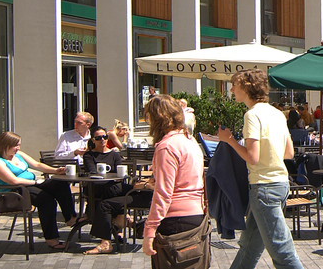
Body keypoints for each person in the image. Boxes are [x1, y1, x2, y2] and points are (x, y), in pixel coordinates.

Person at [216, 70, 304, 269]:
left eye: (234, 85)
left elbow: (252, 158)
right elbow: (288, 153)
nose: (231, 89)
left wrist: (229, 140)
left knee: (283, 253)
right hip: (280, 184)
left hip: (264, 187)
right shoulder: (277, 113)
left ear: (246, 88)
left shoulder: (252, 115)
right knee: (249, 247)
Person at [141, 94, 206, 262]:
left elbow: (163, 193)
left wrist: (150, 230)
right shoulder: (189, 140)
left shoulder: (167, 147)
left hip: (175, 220)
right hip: (196, 216)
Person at [0, 131, 77, 251]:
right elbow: (13, 181)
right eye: (16, 145)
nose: (18, 148)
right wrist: (36, 182)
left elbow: (36, 165)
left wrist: (55, 171)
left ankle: (70, 217)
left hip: (28, 186)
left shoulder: (18, 154)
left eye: (19, 145)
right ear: (5, 145)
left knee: (59, 183)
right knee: (46, 199)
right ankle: (51, 239)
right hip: (14, 193)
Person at [82, 126, 153, 255]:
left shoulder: (114, 154)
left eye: (104, 137)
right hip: (98, 188)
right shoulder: (89, 155)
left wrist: (115, 178)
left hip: (112, 188)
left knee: (106, 202)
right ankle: (129, 222)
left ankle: (107, 240)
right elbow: (92, 171)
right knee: (127, 189)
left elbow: (119, 172)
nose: (102, 140)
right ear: (93, 140)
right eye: (98, 138)